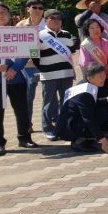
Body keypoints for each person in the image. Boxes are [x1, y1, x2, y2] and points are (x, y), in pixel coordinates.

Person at [0, 2, 36, 156]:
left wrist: (15, 68)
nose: (0, 15)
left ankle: (24, 137)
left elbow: (27, 52)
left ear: (9, 15)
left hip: (16, 78)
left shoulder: (19, 33)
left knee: (21, 110)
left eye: (3, 12)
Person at [33, 9, 79, 140]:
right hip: (49, 75)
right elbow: (34, 55)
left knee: (66, 102)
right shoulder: (39, 35)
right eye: (52, 18)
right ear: (46, 20)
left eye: (59, 18)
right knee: (49, 103)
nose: (56, 20)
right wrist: (44, 68)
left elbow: (71, 50)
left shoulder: (67, 34)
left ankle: (63, 127)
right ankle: (48, 128)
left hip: (66, 74)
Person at [54, 62, 108, 153]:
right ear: (89, 78)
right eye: (100, 76)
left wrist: (107, 99)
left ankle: (88, 138)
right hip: (68, 128)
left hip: (70, 122)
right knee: (99, 114)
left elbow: (91, 103)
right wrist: (103, 140)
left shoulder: (85, 84)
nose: (103, 78)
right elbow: (88, 118)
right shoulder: (85, 93)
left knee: (102, 110)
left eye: (104, 75)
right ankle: (79, 141)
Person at [16, 0, 45, 134]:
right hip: (27, 66)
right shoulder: (20, 26)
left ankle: (49, 124)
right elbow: (16, 46)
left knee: (49, 96)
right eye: (35, 7)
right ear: (28, 9)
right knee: (28, 96)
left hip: (46, 64)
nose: (38, 10)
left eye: (41, 8)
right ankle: (27, 125)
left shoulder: (48, 23)